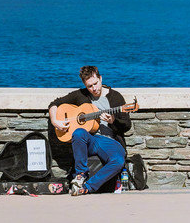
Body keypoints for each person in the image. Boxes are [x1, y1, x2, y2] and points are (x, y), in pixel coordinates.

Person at [48, 65, 131, 196]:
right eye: (89, 86)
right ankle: (80, 174)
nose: (94, 89)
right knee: (79, 132)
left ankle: (87, 187)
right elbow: (54, 104)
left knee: (118, 161)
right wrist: (54, 121)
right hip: (91, 139)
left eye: (95, 84)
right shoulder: (81, 95)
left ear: (101, 78)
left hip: (110, 141)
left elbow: (127, 125)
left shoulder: (115, 97)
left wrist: (112, 121)